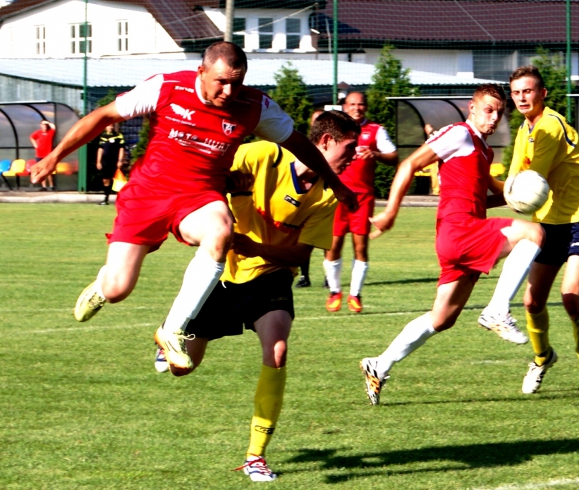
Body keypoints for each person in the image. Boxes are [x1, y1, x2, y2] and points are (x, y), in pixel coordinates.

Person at [30, 41, 357, 374]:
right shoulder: (166, 87)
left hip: (198, 196)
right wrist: (54, 157)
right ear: (201, 72)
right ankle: (103, 287)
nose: (230, 91)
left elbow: (299, 142)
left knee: (221, 232)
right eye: (221, 81)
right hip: (147, 195)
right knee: (118, 289)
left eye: (237, 81)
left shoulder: (254, 106)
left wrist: (336, 183)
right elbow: (103, 116)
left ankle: (172, 330)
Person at [156, 112, 360, 481]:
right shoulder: (265, 154)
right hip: (222, 276)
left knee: (277, 351)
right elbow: (207, 174)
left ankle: (255, 456)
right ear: (326, 142)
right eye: (350, 147)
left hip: (271, 278)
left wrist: (251, 244)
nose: (355, 155)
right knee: (182, 369)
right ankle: (169, 333)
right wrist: (225, 187)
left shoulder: (327, 196)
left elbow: (299, 257)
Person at [360, 83, 543, 405]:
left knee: (442, 319)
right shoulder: (459, 134)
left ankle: (379, 364)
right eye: (488, 110)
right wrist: (390, 211)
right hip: (459, 231)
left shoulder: (483, 151)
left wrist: (521, 194)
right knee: (535, 234)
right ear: (471, 109)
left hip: (461, 233)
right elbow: (408, 165)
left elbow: (481, 200)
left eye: (499, 113)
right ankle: (497, 310)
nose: (494, 117)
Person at [508, 66, 579, 408]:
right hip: (549, 221)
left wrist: (513, 195)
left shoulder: (549, 126)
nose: (522, 97)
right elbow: (514, 183)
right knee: (531, 302)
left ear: (543, 94)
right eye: (516, 92)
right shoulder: (525, 129)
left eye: (528, 91)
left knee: (570, 296)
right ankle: (542, 358)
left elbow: (530, 179)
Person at [324, 92, 398, 313]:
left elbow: (394, 157)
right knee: (333, 245)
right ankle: (335, 291)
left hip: (362, 198)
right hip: (336, 195)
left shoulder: (375, 130)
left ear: (366, 107)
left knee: (360, 247)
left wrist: (375, 154)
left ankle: (355, 295)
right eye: (352, 104)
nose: (357, 108)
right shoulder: (335, 128)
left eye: (361, 104)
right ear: (344, 107)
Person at [294, 108, 325, 289]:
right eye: (315, 120)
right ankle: (304, 276)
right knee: (300, 238)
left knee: (325, 239)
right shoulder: (301, 143)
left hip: (321, 197)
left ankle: (330, 278)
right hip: (302, 198)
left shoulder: (329, 145)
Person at [95, 123, 125, 205]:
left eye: (112, 125)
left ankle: (121, 200)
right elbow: (100, 149)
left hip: (114, 161)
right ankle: (105, 199)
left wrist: (120, 160)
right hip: (105, 162)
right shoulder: (103, 137)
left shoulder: (119, 136)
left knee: (117, 180)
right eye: (109, 125)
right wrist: (98, 161)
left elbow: (121, 149)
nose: (110, 127)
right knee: (105, 180)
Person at [30, 120, 56, 191]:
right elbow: (32, 137)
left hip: (48, 155)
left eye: (46, 125)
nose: (45, 126)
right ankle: (44, 187)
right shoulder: (38, 132)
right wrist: (35, 145)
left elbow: (54, 127)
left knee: (48, 171)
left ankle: (51, 186)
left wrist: (48, 122)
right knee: (40, 171)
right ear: (40, 125)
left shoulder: (50, 132)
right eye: (43, 125)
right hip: (39, 155)